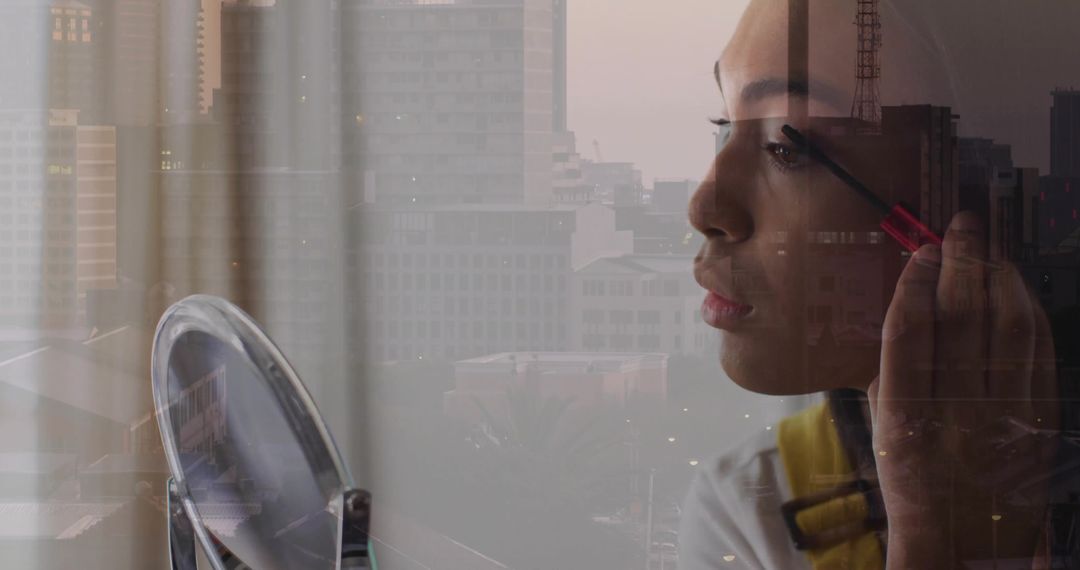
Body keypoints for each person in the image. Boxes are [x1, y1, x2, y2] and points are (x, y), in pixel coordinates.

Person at [679, 0, 1080, 568]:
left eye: (785, 147)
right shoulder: (752, 515)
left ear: (1010, 210)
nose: (704, 207)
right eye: (725, 124)